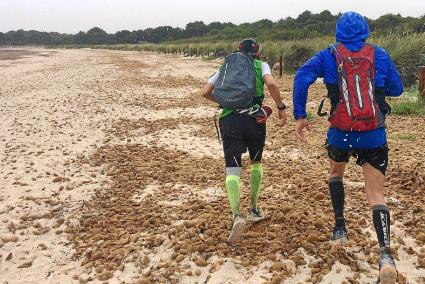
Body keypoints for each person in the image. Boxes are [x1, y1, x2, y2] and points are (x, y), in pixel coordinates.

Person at [292, 12, 403, 284]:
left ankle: (340, 228)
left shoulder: (328, 55)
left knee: (336, 174)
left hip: (340, 132)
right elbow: (397, 89)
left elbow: (302, 76)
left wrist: (300, 115)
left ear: (338, 32)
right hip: (373, 133)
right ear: (366, 30)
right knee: (376, 194)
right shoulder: (380, 54)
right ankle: (385, 255)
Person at [202, 38, 288, 244]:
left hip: (229, 120)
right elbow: (272, 84)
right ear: (257, 52)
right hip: (255, 120)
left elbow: (205, 92)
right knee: (256, 163)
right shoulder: (261, 65)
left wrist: (224, 103)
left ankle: (236, 216)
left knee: (233, 169)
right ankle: (254, 208)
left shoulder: (226, 66)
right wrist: (280, 106)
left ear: (238, 51)